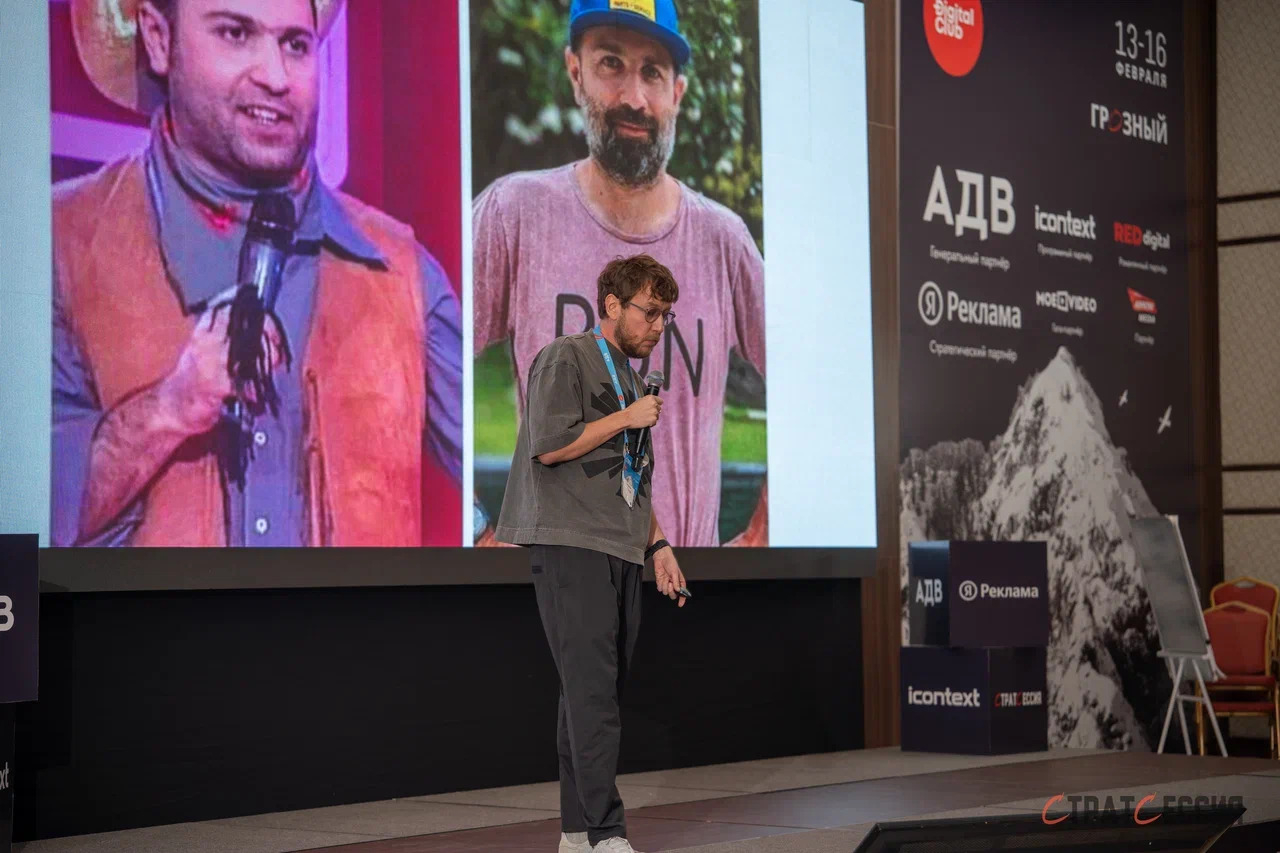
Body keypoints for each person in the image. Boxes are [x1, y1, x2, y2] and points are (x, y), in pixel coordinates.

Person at [51, 0, 462, 547]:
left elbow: (524, 480)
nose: (275, 77)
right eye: (235, 33)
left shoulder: (401, 271)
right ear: (158, 38)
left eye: (295, 45)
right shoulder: (58, 242)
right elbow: (27, 513)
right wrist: (167, 411)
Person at [473, 0, 767, 548]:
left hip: (683, 592)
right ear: (575, 72)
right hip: (552, 590)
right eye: (611, 63)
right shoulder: (514, 214)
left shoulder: (723, 242)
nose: (634, 97)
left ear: (677, 92)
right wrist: (474, 529)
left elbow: (810, 380)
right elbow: (416, 360)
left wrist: (763, 533)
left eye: (652, 71)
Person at [496, 254, 688, 853]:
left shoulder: (631, 379)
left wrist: (658, 544)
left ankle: (577, 833)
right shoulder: (566, 357)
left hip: (622, 545)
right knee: (592, 694)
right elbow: (550, 445)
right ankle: (607, 833)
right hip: (570, 541)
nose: (658, 327)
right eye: (649, 312)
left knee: (590, 693)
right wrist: (627, 417)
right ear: (611, 304)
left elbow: (634, 471)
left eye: (666, 316)